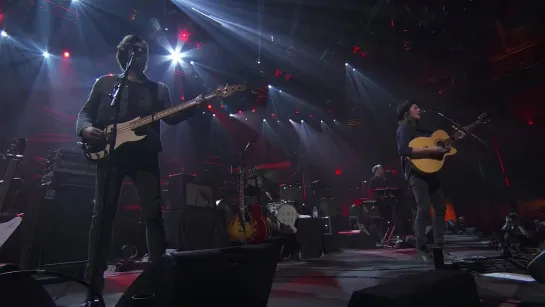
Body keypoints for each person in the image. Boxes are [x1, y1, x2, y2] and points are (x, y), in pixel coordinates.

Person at [76, 35, 195, 306]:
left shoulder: (159, 89)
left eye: (144, 51)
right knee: (102, 218)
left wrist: (193, 106)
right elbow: (84, 113)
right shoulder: (106, 84)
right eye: (136, 50)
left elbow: (172, 116)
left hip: (145, 156)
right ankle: (92, 290)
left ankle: (160, 282)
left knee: (153, 217)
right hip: (110, 156)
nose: (141, 54)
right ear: (125, 53)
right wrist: (85, 129)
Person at [396, 100, 461, 262]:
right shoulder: (405, 127)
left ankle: (439, 247)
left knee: (440, 207)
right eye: (415, 107)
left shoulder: (424, 130)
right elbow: (403, 150)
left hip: (430, 171)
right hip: (415, 173)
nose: (419, 110)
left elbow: (441, 144)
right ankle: (421, 248)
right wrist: (432, 149)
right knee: (423, 208)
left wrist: (454, 138)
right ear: (406, 112)